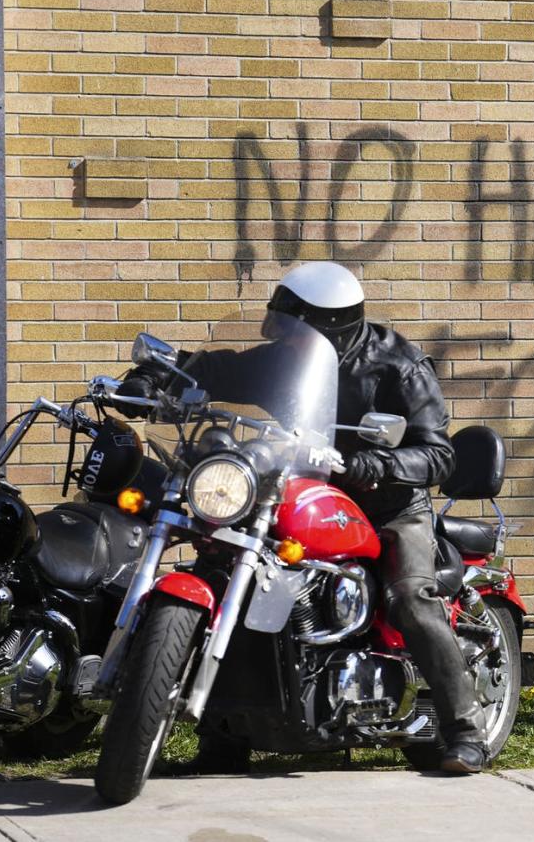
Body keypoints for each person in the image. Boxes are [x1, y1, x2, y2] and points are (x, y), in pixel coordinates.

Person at [117, 261, 489, 774]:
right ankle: (227, 730)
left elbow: (437, 456)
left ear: (332, 325)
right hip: (302, 492)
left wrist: (371, 463)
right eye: (283, 330)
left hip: (388, 504)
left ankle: (463, 729)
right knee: (231, 572)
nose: (287, 341)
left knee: (410, 598)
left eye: (297, 331)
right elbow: (213, 368)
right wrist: (153, 380)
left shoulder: (398, 367)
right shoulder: (290, 359)